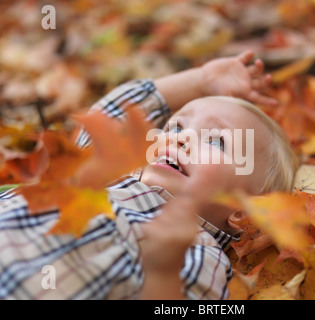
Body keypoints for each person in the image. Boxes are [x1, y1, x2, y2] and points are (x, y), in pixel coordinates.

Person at [0, 51, 298, 300]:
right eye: (176, 127)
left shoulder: (197, 252)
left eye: (216, 141)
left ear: (243, 211)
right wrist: (199, 81)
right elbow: (110, 115)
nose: (179, 139)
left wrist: (162, 272)